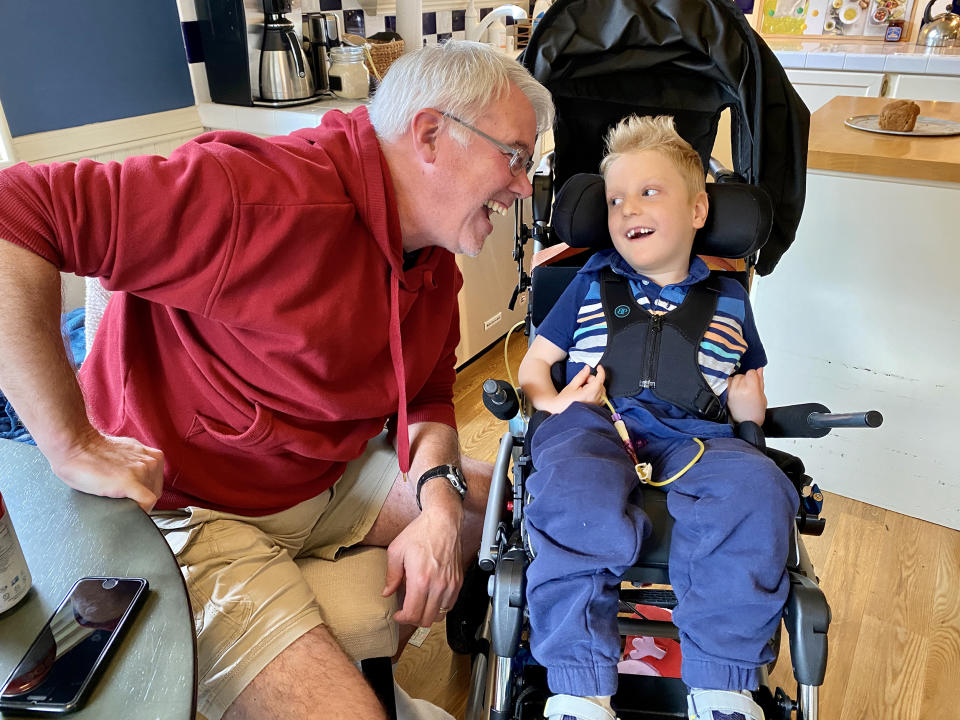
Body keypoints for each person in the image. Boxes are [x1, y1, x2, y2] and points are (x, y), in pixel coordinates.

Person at [0, 41, 554, 720]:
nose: (526, 185)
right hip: (192, 506)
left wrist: (438, 504)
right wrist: (71, 442)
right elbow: (15, 212)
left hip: (326, 474)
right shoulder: (254, 194)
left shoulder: (434, 263)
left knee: (513, 510)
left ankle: (367, 676)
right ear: (433, 135)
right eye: (518, 157)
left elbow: (432, 401)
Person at [517, 115, 797, 720]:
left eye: (649, 192)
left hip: (698, 436)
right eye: (615, 199)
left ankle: (721, 685)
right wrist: (555, 403)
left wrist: (752, 417)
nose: (626, 210)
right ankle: (578, 685)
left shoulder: (730, 300)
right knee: (571, 491)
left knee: (759, 487)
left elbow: (745, 384)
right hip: (595, 426)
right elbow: (534, 368)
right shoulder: (589, 283)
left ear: (699, 211)